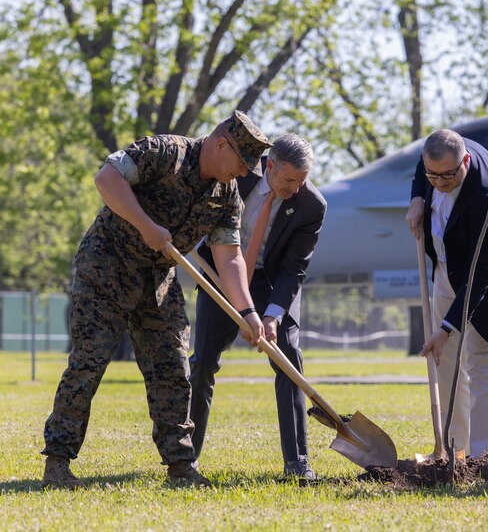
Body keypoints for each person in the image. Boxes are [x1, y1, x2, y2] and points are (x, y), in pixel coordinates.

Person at [42, 111, 270, 489]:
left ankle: (180, 466)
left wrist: (247, 311)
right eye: (241, 163)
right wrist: (146, 226)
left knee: (173, 368)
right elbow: (107, 178)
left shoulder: (226, 195)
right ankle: (58, 463)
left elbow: (229, 256)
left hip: (157, 281)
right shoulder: (165, 151)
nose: (244, 173)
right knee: (89, 363)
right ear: (221, 144)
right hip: (107, 268)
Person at [190, 133, 326, 481]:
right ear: (269, 166)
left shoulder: (312, 206)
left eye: (302, 180)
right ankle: (185, 458)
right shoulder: (237, 173)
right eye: (288, 180)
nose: (295, 188)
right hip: (221, 273)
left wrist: (272, 315)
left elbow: (295, 267)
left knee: (289, 358)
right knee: (203, 361)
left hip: (269, 282)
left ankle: (297, 464)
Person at [405, 129, 488, 458]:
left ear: (466, 161)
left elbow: (483, 271)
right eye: (433, 174)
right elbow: (423, 166)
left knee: (482, 366)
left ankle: (484, 457)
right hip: (448, 271)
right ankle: (453, 448)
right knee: (443, 361)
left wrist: (447, 327)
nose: (440, 182)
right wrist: (418, 196)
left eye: (448, 175)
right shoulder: (436, 160)